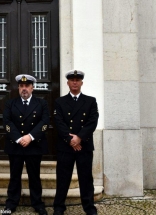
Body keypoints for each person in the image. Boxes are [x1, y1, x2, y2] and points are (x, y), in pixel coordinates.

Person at [52, 70, 99, 215]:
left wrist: (79, 138)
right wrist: (70, 139)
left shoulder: (91, 101)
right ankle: (59, 207)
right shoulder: (59, 102)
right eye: (72, 80)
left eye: (77, 80)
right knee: (63, 179)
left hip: (83, 146)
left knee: (86, 179)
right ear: (67, 83)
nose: (74, 82)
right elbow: (58, 122)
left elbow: (92, 122)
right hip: (65, 146)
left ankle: (89, 207)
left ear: (81, 83)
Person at [3, 74, 50, 215]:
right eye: (21, 86)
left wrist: (30, 137)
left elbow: (45, 122)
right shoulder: (10, 103)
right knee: (14, 176)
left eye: (27, 86)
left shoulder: (41, 103)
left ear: (32, 88)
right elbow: (7, 122)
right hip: (15, 145)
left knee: (34, 176)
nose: (24, 89)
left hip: (34, 145)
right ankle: (11, 203)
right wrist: (19, 138)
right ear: (18, 88)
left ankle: (38, 203)